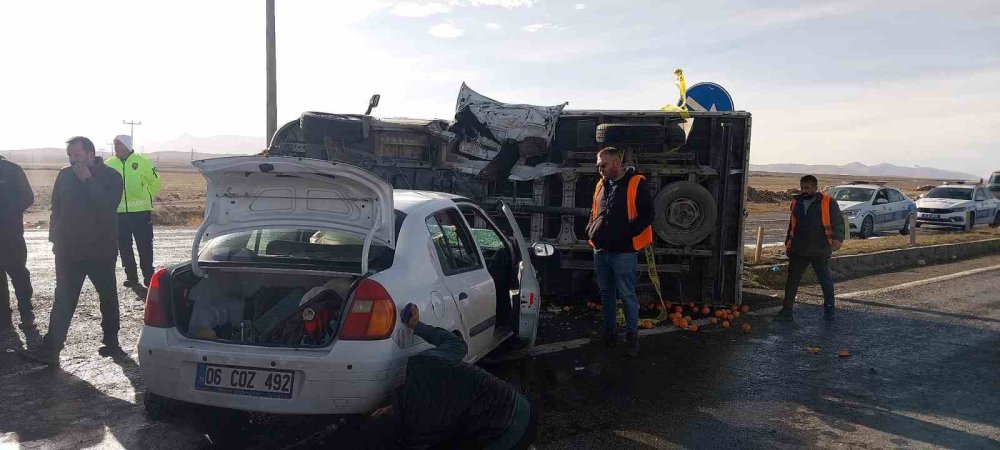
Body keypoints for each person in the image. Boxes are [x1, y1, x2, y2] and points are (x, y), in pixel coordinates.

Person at [364, 304, 537, 449]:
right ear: (380, 410)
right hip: (522, 404)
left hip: (510, 436)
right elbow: (456, 344)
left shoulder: (421, 433)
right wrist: (416, 325)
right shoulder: (421, 365)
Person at [21, 137, 124, 366]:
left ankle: (112, 340)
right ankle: (52, 348)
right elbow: (56, 208)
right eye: (70, 156)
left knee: (107, 295)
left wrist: (88, 180)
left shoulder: (112, 177)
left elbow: (107, 207)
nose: (72, 160)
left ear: (90, 154)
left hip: (100, 251)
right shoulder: (65, 175)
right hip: (69, 250)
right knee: (64, 298)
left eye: (77, 155)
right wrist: (54, 238)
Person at [586, 147, 654, 357]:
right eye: (598, 165)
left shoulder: (636, 183)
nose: (600, 169)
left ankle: (632, 338)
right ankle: (610, 334)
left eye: (603, 165)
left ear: (616, 162)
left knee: (626, 295)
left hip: (623, 252)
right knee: (606, 294)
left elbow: (648, 215)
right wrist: (591, 231)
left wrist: (626, 234)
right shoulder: (601, 184)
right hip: (601, 250)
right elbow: (594, 211)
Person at [778, 175, 846, 321]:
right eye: (802, 188)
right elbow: (792, 226)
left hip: (820, 249)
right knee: (792, 281)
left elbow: (838, 222)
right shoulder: (797, 202)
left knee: (824, 280)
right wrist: (788, 245)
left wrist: (838, 239)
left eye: (807, 188)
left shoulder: (828, 202)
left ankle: (829, 310)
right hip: (799, 249)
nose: (804, 191)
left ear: (815, 187)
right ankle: (786, 312)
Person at [106, 134, 161, 288]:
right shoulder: (109, 164)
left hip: (141, 212)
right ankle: (131, 276)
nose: (116, 147)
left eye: (119, 144)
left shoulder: (143, 162)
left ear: (127, 145)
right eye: (115, 144)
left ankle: (149, 276)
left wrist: (146, 197)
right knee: (124, 246)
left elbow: (155, 182)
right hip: (119, 213)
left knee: (144, 246)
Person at [0, 155, 35, 329]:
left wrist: (6, 213)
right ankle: (4, 317)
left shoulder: (11, 170)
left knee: (18, 273)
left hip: (11, 234)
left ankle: (26, 312)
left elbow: (28, 197)